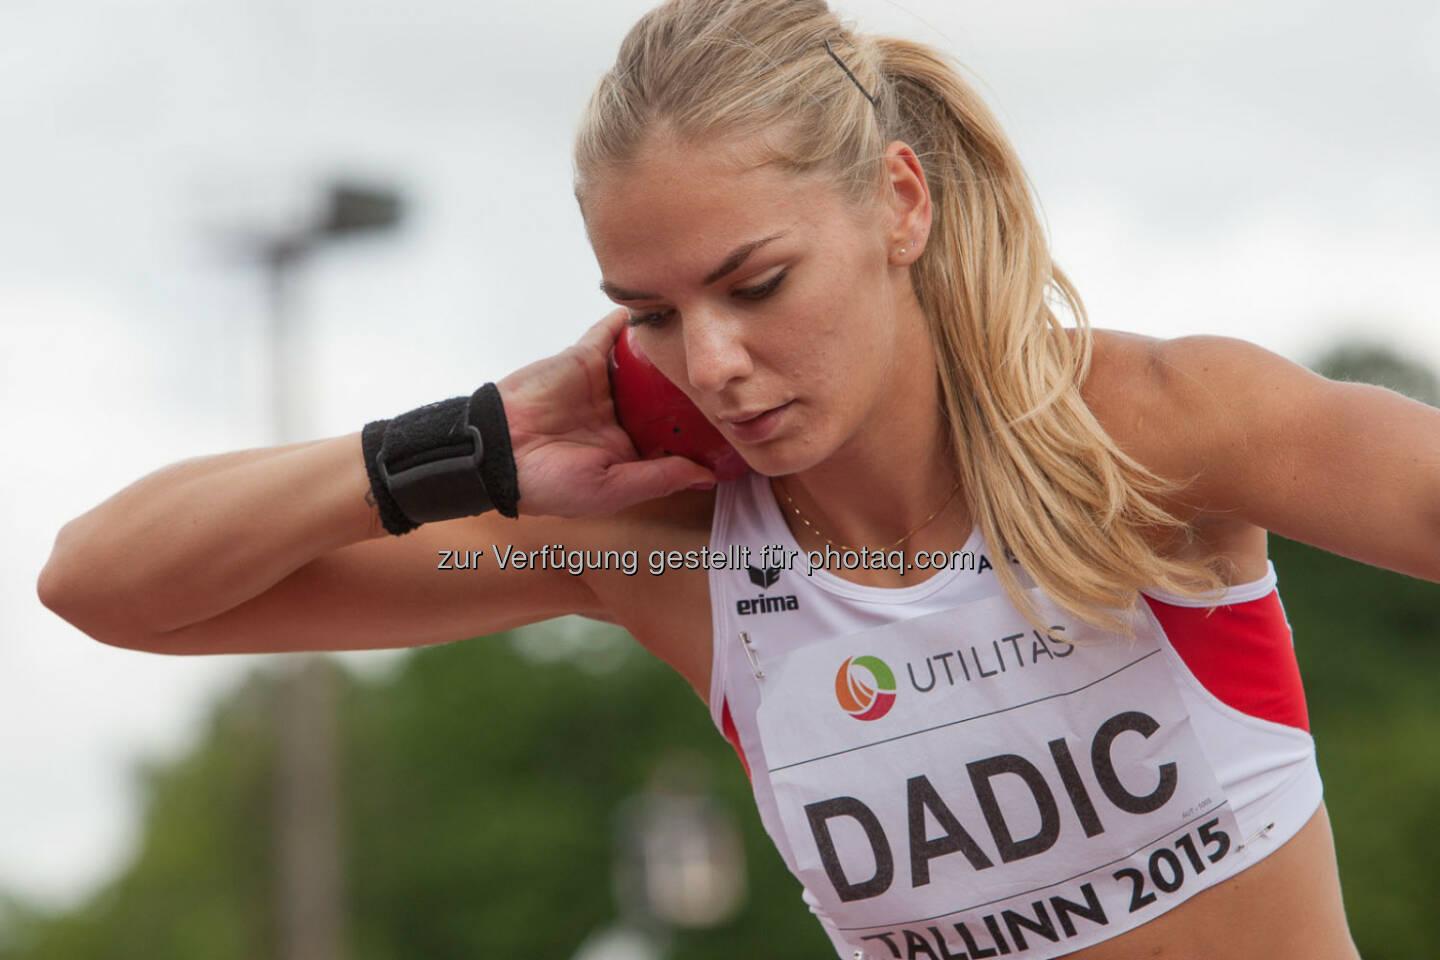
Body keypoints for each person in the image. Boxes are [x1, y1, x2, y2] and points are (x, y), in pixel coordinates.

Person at [36, 0, 1439, 957]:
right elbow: (105, 585)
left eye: (756, 284)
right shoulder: (662, 546)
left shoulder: (1156, 427)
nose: (713, 359)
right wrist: (469, 436)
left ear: (900, 203)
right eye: (649, 312)